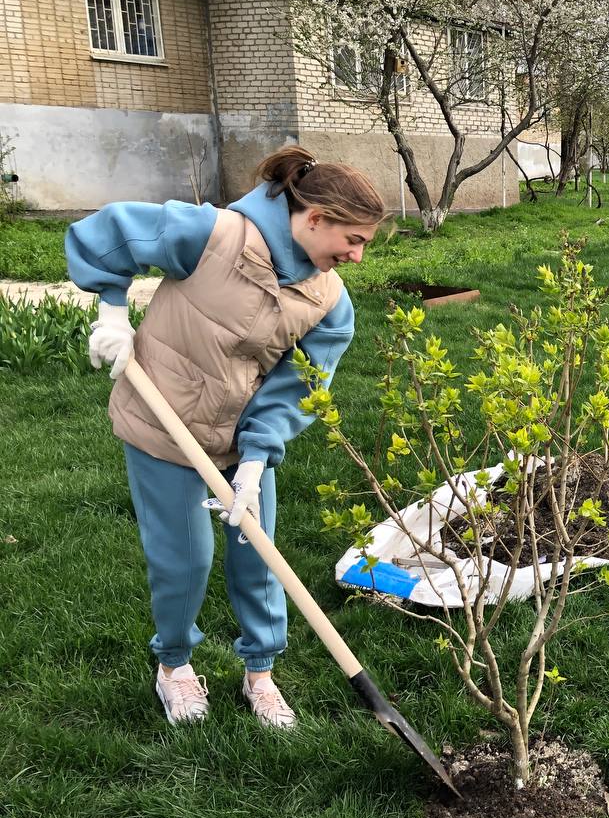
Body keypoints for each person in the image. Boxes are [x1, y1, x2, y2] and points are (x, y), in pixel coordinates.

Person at [66, 146, 386, 728]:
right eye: (354, 239)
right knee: (184, 560)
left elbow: (298, 387)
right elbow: (105, 233)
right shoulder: (214, 235)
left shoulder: (330, 302)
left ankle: (260, 673)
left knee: (258, 559)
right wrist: (112, 313)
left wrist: (258, 458)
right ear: (315, 219)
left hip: (239, 443)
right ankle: (175, 667)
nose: (358, 256)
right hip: (161, 424)